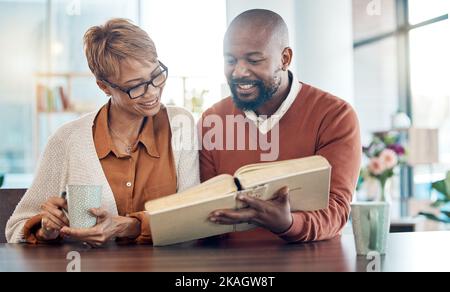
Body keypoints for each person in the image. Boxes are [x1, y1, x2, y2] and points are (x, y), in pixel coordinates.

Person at [6, 19, 199, 246]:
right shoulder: (67, 140)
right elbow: (17, 229)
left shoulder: (180, 124)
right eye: (136, 86)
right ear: (104, 86)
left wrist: (132, 226)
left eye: (156, 75)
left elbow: (193, 218)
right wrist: (45, 230)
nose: (153, 92)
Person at [199, 10, 361, 242]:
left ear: (285, 59)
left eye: (254, 60)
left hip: (309, 262)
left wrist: (288, 224)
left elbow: (337, 210)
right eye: (230, 60)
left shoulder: (334, 115)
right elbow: (204, 209)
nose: (239, 72)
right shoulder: (211, 119)